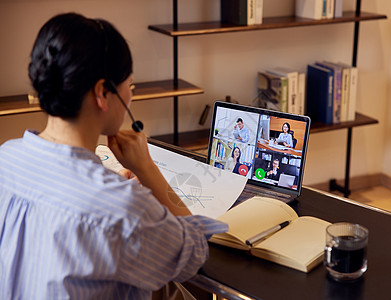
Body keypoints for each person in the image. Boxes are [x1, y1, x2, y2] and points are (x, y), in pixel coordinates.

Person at [0, 13, 227, 299]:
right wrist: (146, 169)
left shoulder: (5, 158)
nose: (130, 96)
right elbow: (193, 253)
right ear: (102, 93)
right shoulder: (123, 208)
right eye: (129, 87)